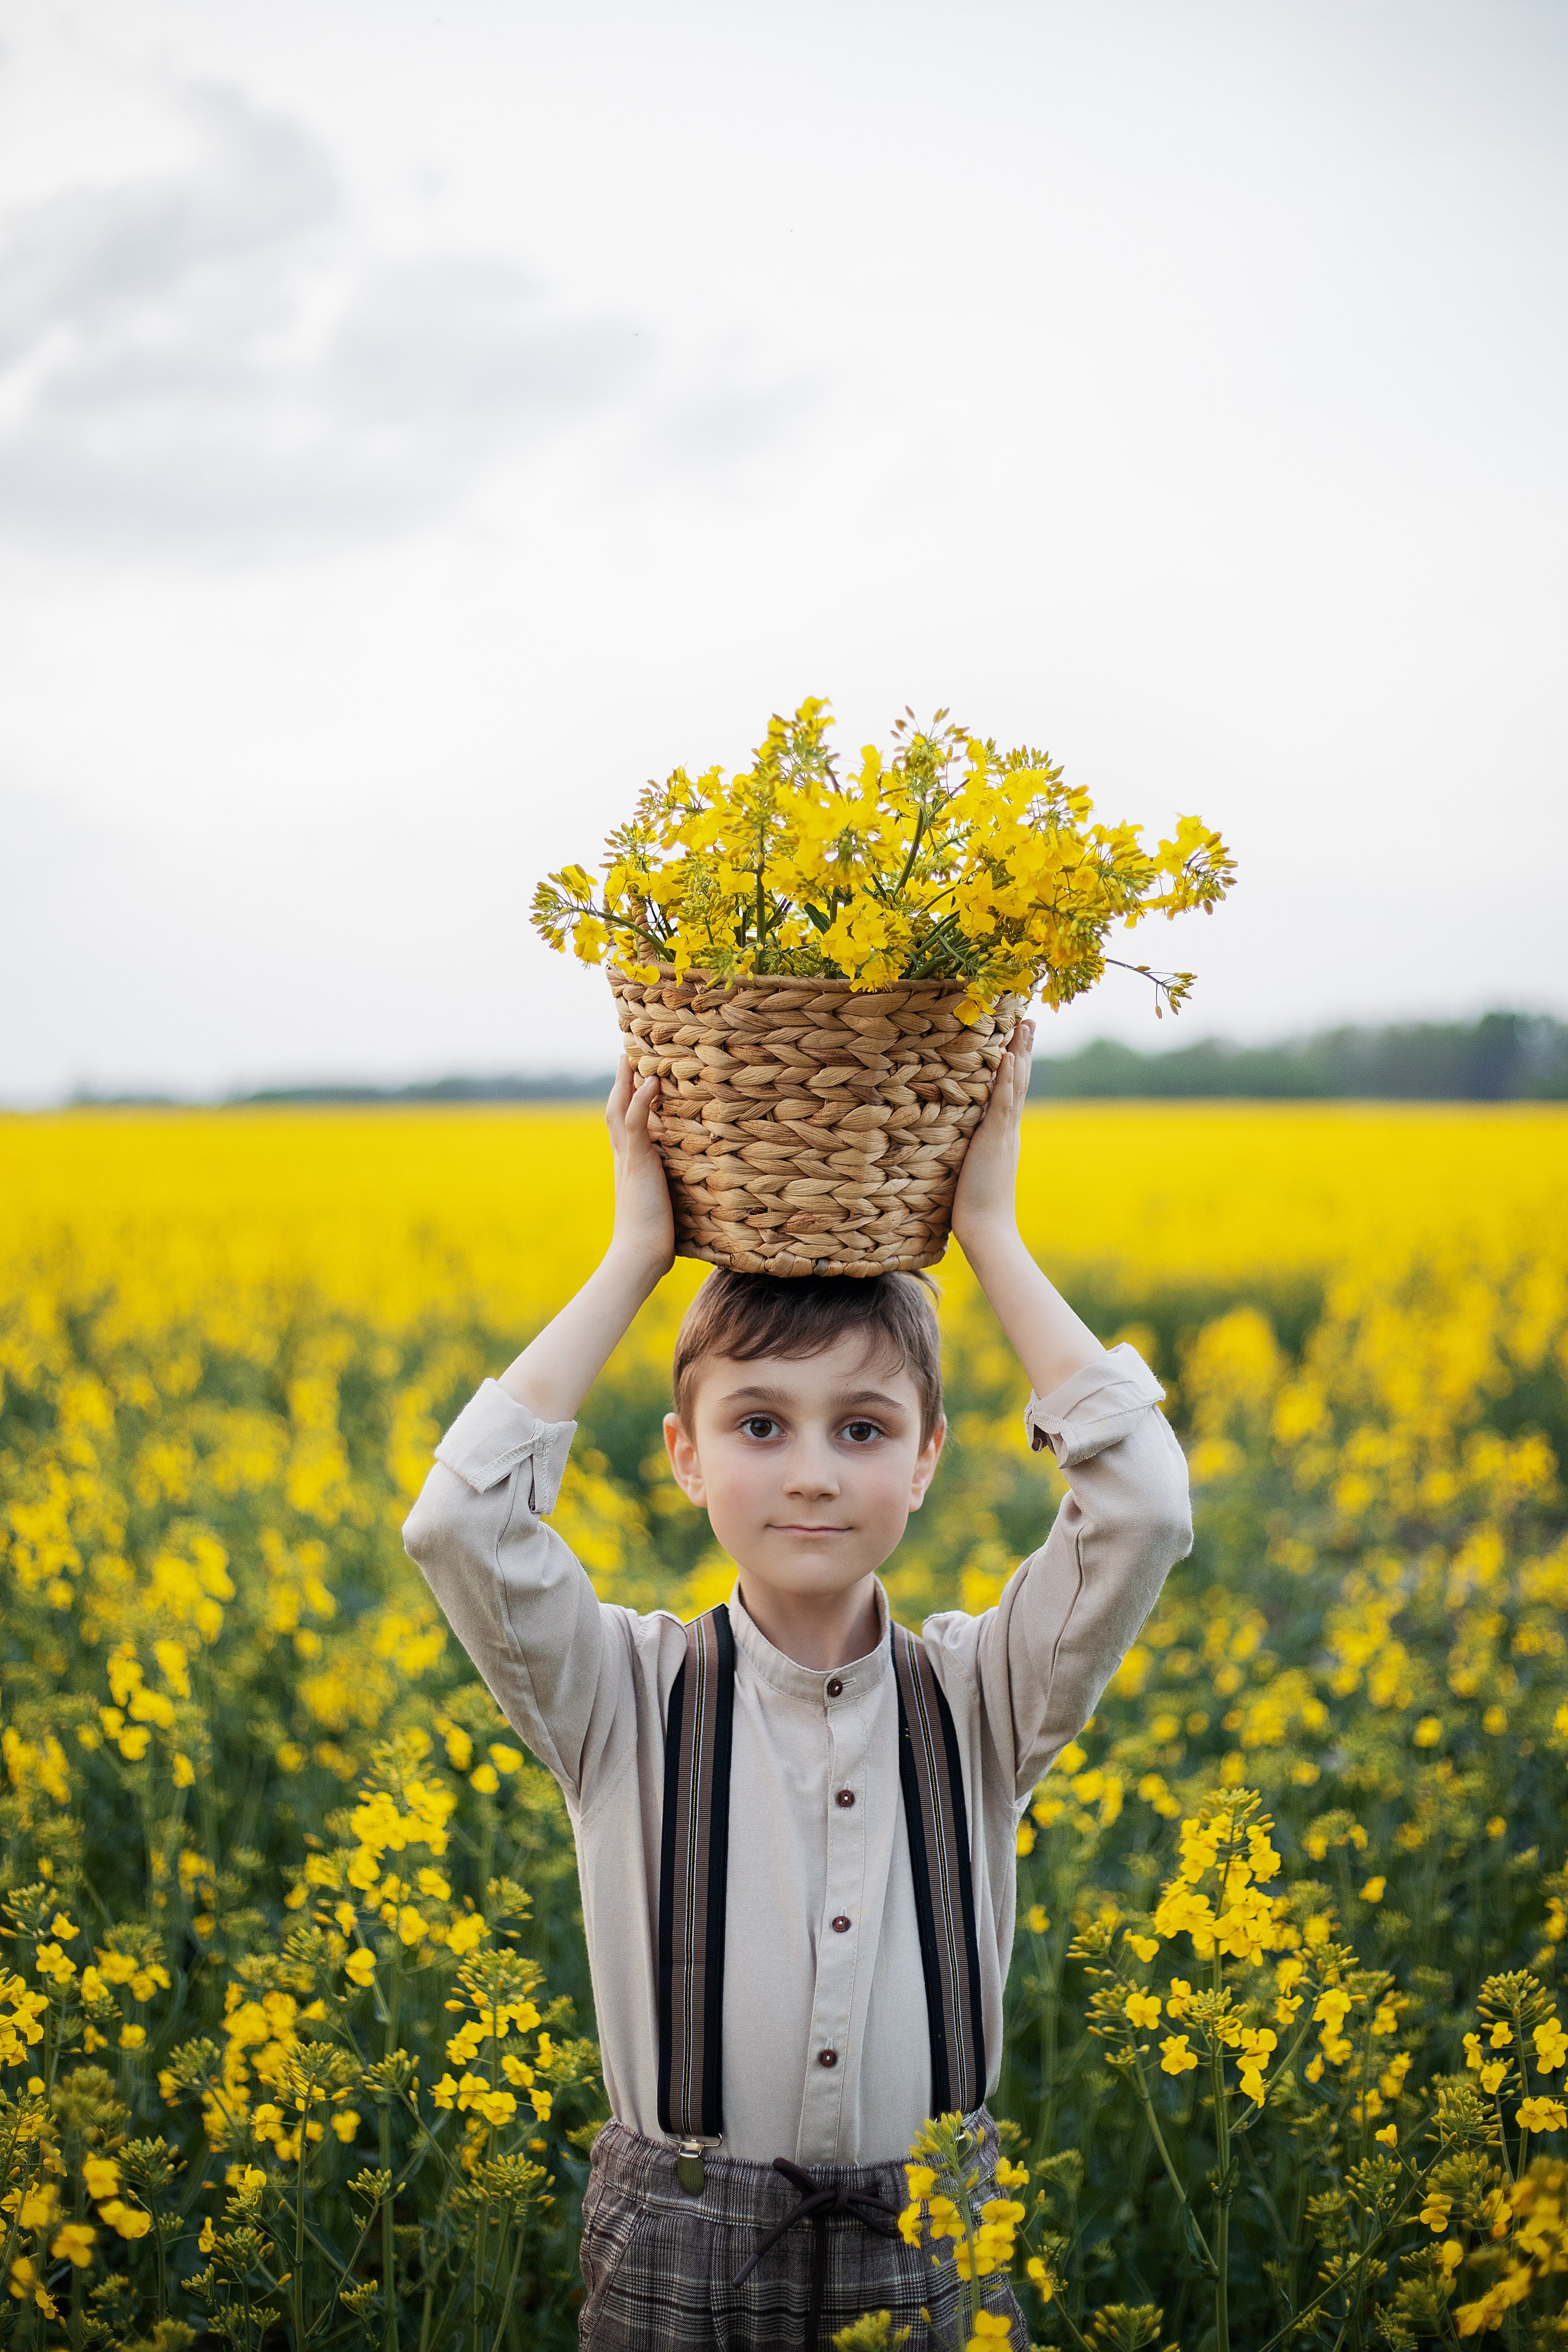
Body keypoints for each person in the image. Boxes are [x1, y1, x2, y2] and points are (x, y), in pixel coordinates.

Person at [402, 1023, 1193, 2350]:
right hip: (677, 2251)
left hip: (935, 2240)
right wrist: (632, 1258)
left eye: (864, 1428)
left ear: (930, 1454)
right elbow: (455, 1530)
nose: (813, 1473)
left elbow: (1144, 1508)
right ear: (684, 1457)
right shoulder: (619, 1697)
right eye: (757, 1425)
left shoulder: (981, 1696)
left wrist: (986, 1231)